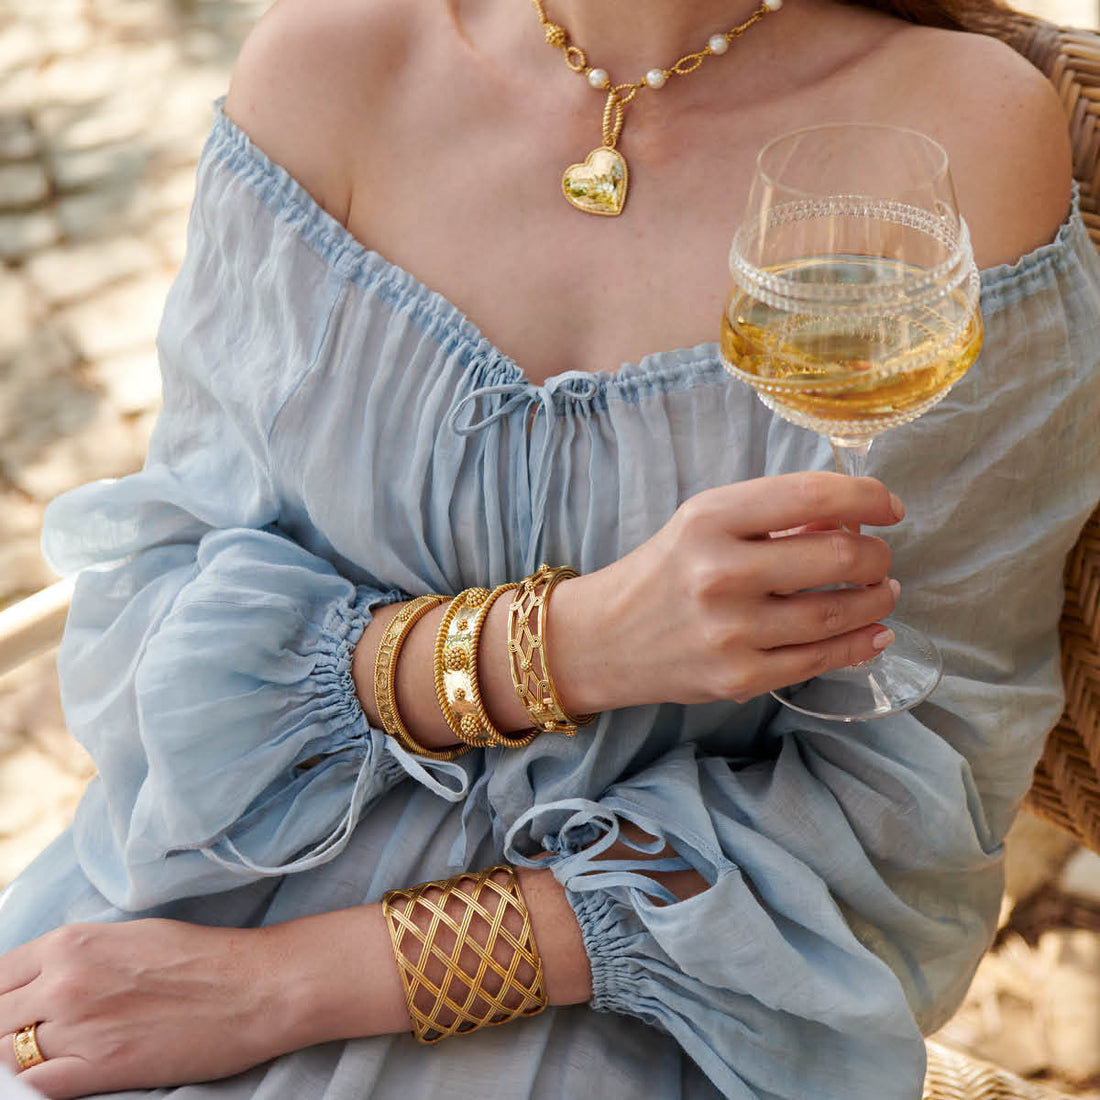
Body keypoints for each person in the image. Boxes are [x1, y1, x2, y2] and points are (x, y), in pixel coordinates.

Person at [1, 0, 1097, 1096]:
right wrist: (562, 648)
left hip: (642, 994)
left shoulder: (954, 131)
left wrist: (286, 982)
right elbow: (150, 629)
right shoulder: (325, 65)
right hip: (188, 899)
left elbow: (908, 800)